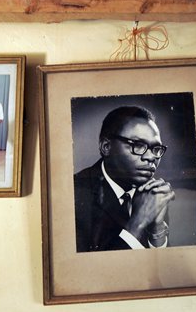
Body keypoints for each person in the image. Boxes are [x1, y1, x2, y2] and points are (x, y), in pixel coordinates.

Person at [74, 106, 175, 252]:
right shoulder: (74, 194)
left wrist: (157, 230)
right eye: (138, 145)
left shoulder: (152, 194)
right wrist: (138, 223)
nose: (151, 157)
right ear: (106, 147)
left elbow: (163, 267)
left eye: (156, 149)